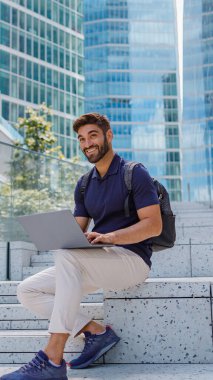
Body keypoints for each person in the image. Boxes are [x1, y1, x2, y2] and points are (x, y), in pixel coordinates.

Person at [1, 113, 162, 380]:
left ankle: (53, 358)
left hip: (132, 260)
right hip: (99, 261)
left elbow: (153, 225)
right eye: (81, 139)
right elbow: (76, 230)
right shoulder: (85, 184)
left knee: (67, 256)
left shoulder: (135, 173)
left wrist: (111, 237)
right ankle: (96, 331)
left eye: (93, 136)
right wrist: (55, 231)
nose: (87, 143)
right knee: (27, 290)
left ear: (108, 136)